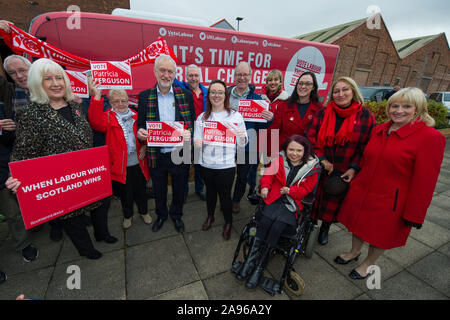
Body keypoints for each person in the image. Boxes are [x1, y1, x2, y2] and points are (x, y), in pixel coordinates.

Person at [335, 87, 446, 280]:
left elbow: (426, 181)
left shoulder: (430, 138)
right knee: (358, 225)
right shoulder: (379, 130)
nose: (398, 110)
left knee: (380, 235)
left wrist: (415, 214)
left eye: (406, 106)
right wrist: (354, 170)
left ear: (418, 109)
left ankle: (368, 263)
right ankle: (354, 252)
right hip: (363, 191)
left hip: (392, 200)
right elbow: (367, 157)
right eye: (394, 105)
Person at [5, 58, 105, 259]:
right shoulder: (31, 115)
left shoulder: (75, 107)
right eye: (48, 79)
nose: (56, 83)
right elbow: (23, 153)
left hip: (84, 176)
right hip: (61, 183)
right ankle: (87, 251)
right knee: (74, 223)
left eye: (59, 78)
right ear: (36, 83)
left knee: (90, 211)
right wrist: (15, 176)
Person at [234, 135, 320, 290]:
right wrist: (265, 186)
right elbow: (267, 175)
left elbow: (306, 190)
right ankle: (249, 262)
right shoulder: (278, 159)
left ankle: (260, 267)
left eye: (299, 150)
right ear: (285, 149)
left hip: (291, 203)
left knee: (278, 226)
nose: (294, 153)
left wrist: (291, 190)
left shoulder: (311, 169)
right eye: (291, 149)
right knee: (265, 221)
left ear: (305, 151)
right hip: (274, 198)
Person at [305, 76, 376, 245]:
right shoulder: (323, 113)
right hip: (319, 164)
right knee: (313, 198)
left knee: (333, 200)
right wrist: (322, 159)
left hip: (344, 168)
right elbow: (310, 137)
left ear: (353, 91)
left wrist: (353, 168)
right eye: (336, 91)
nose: (341, 94)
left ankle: (325, 228)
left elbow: (367, 147)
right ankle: (310, 226)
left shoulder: (366, 116)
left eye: (345, 90)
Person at [137, 54, 195, 233]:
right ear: (155, 72)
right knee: (159, 189)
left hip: (179, 153)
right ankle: (161, 215)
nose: (166, 75)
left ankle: (176, 215)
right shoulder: (145, 96)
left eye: (170, 71)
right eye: (162, 70)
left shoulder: (185, 95)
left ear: (175, 74)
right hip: (157, 153)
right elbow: (140, 125)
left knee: (179, 189)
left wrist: (189, 133)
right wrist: (141, 133)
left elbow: (191, 123)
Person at [89, 82, 151, 230]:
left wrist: (146, 147)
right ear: (110, 103)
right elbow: (95, 122)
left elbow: (147, 134)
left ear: (128, 101)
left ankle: (144, 212)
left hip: (139, 163)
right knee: (126, 194)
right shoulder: (108, 117)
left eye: (123, 100)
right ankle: (127, 215)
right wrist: (96, 97)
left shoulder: (137, 116)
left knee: (141, 191)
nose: (121, 104)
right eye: (116, 101)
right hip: (121, 165)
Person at [194, 79, 247, 240]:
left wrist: (242, 136)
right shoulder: (202, 117)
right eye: (213, 92)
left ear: (226, 95)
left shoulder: (235, 116)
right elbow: (197, 142)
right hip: (206, 165)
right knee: (210, 193)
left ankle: (228, 222)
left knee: (225, 196)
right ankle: (210, 216)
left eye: (220, 92)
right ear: (209, 95)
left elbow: (243, 143)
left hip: (226, 166)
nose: (216, 95)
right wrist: (196, 142)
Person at [0, 50, 39, 262]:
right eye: (13, 73)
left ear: (31, 68)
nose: (20, 75)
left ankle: (55, 219)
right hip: (20, 154)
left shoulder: (46, 86)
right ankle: (39, 225)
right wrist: (8, 130)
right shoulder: (10, 95)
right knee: (25, 198)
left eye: (22, 70)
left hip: (47, 152)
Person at [228, 62, 273, 213]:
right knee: (226, 176)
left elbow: (260, 127)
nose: (242, 78)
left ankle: (235, 200)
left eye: (245, 74)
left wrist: (269, 119)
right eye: (239, 74)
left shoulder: (257, 99)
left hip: (246, 146)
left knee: (242, 177)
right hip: (227, 144)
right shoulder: (225, 95)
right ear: (234, 77)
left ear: (250, 77)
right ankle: (224, 198)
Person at [175, 64, 207, 201]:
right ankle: (184, 192)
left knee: (199, 164)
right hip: (187, 132)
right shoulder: (182, 88)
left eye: (196, 75)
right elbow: (167, 77)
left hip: (201, 133)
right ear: (186, 77)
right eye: (191, 75)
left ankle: (199, 189)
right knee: (186, 164)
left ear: (200, 77)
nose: (193, 78)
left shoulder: (207, 91)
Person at [270, 72, 323, 151]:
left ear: (313, 87)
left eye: (308, 84)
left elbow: (320, 138)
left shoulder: (319, 109)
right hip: (283, 154)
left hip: (307, 156)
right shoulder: (283, 106)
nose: (303, 86)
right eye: (300, 83)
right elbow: (274, 133)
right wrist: (273, 158)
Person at [259, 69, 289, 164]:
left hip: (276, 140)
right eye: (270, 80)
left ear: (280, 82)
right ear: (266, 83)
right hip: (261, 138)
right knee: (258, 169)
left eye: (276, 80)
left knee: (272, 169)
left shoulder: (286, 100)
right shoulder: (260, 98)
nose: (273, 82)